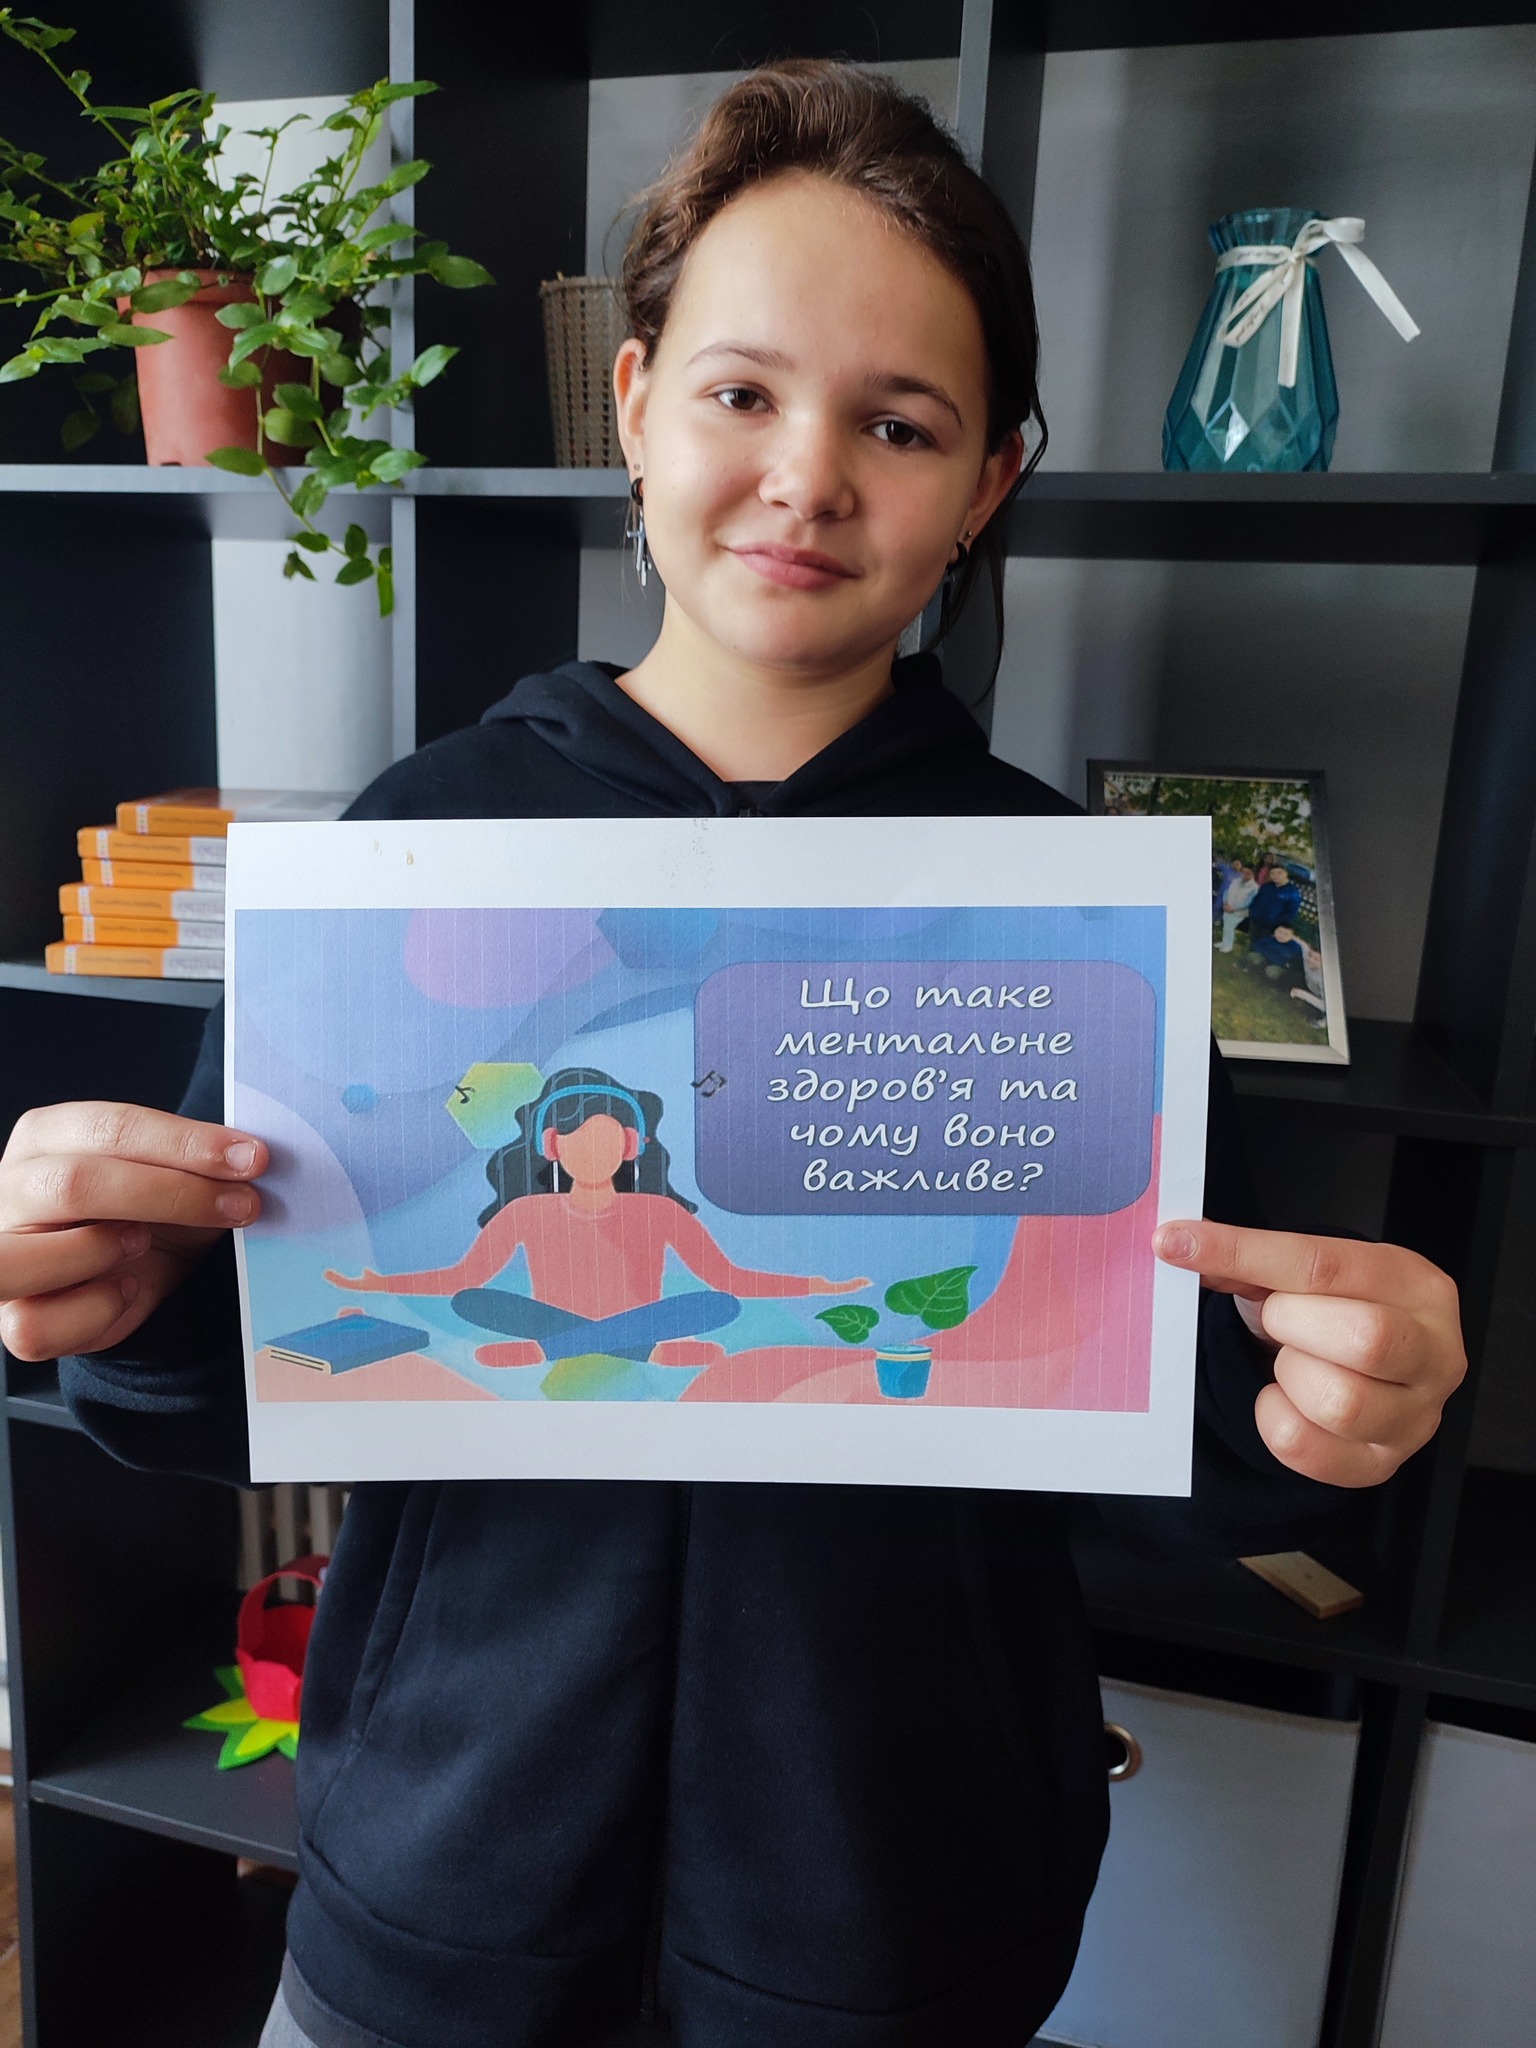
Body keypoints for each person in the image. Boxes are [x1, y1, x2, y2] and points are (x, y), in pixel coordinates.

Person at [0, 63, 1466, 2048]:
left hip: (893, 1924)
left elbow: (1181, 1412)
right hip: (434, 1904)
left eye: (901, 423)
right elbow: (219, 1374)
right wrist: (113, 1300)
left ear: (990, 484)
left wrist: (1326, 1414)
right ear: (631, 405)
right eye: (740, 391)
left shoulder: (1061, 909)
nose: (807, 476)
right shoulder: (417, 844)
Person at [325, 1066, 866, 1366]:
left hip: (575, 1333)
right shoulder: (525, 1212)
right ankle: (644, 1351)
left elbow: (728, 1280)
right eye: (578, 1142)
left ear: (631, 1146)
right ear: (552, 1146)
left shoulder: (658, 1211)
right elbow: (462, 1279)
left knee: (716, 1305)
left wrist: (818, 1285)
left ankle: (552, 1350)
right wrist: (377, 1283)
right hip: (588, 1325)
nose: (593, 1154)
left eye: (606, 1142)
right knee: (473, 1301)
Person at [1248, 862, 1302, 943]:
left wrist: (1276, 922)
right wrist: (1252, 912)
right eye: (1272, 873)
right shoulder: (1266, 886)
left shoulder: (1292, 892)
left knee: (1264, 946)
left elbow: (1291, 912)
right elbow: (1256, 899)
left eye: (1279, 873)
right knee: (1252, 942)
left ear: (1286, 873)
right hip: (1256, 922)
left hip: (1271, 927)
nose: (1275, 876)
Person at [1218, 861, 1258, 951]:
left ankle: (1228, 946)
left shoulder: (1254, 887)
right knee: (1226, 926)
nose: (1245, 875)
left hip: (1239, 912)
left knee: (1229, 927)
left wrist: (1234, 908)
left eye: (1248, 873)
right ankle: (1224, 942)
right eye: (1243, 872)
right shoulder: (1235, 881)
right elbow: (1227, 892)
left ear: (1253, 874)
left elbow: (1249, 902)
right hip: (1227, 908)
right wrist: (1225, 903)